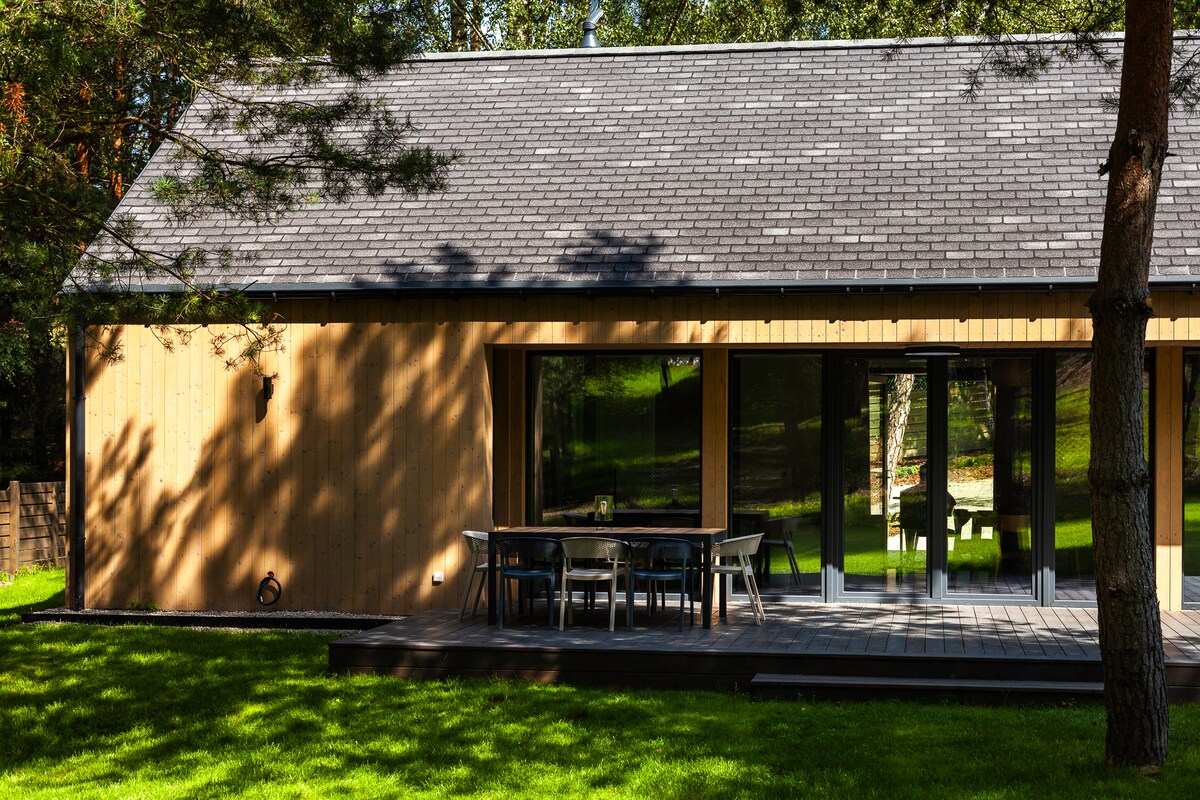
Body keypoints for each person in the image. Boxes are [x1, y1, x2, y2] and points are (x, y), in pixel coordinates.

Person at [898, 464, 956, 551]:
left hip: (912, 525)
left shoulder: (906, 493)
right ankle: (940, 552)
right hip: (934, 525)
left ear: (919, 474)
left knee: (909, 524)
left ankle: (909, 551)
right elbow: (950, 509)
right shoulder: (940, 491)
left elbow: (905, 513)